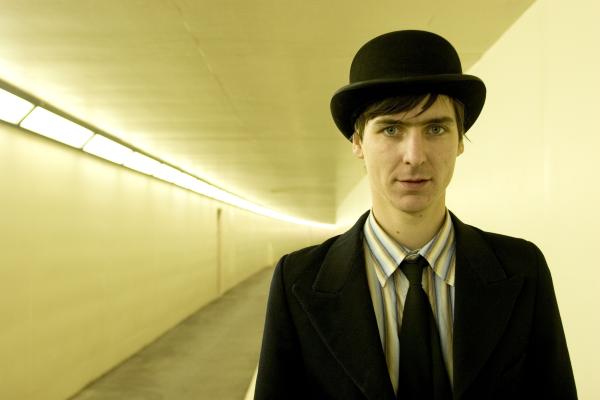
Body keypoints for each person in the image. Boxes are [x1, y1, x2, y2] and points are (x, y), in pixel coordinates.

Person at [254, 30, 577, 400]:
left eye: (435, 128)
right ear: (358, 143)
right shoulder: (298, 280)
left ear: (459, 141)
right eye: (391, 129)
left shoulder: (522, 268)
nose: (415, 156)